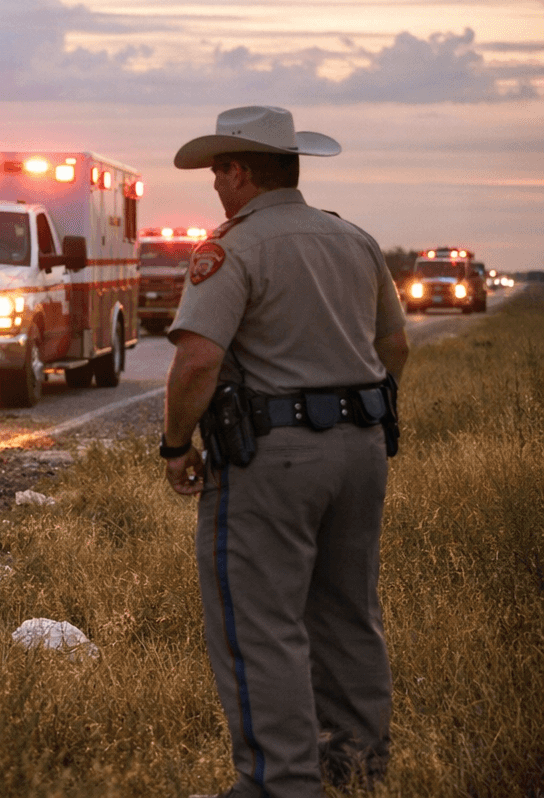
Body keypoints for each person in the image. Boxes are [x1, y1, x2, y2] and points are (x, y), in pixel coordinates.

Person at [160, 106, 409, 798]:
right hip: (361, 450)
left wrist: (176, 444)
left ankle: (280, 783)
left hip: (271, 459)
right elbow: (396, 348)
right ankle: (358, 768)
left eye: (218, 170)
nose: (214, 183)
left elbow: (196, 365)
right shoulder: (353, 240)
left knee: (261, 623)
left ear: (241, 171)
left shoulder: (231, 249)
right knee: (348, 611)